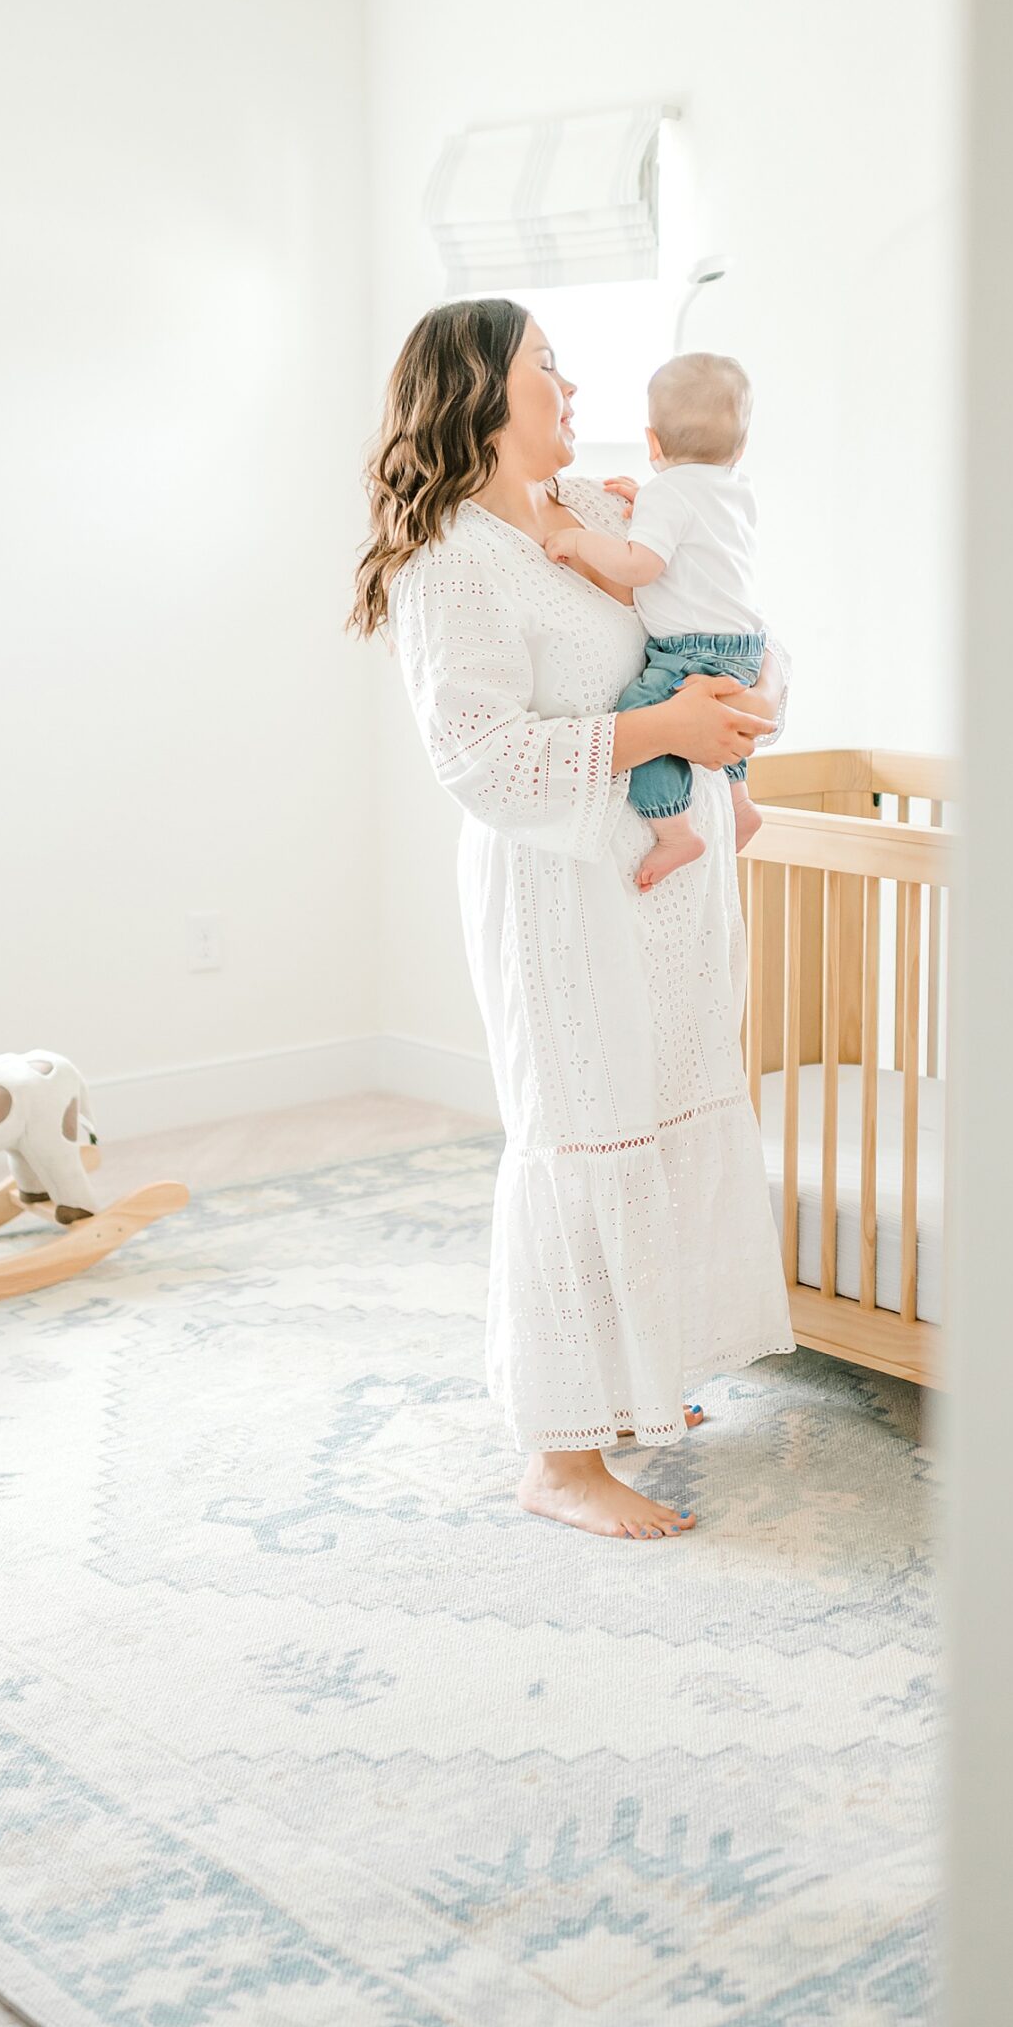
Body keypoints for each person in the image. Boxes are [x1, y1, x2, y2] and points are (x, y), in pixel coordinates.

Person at [349, 299, 796, 1541]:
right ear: (481, 393)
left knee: (657, 1112)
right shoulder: (451, 561)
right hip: (563, 892)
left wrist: (744, 699)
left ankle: (643, 1385)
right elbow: (480, 757)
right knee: (583, 1128)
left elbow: (724, 601)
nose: (571, 382)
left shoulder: (597, 515)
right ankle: (558, 1456)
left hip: (662, 884)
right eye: (547, 363)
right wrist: (663, 730)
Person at [544, 351, 767, 892]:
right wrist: (651, 507)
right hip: (744, 645)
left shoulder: (669, 493)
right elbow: (701, 545)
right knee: (720, 715)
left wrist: (579, 541)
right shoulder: (737, 491)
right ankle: (738, 800)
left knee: (639, 716)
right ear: (740, 446)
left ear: (652, 443)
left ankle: (674, 831)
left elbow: (641, 565)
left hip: (692, 648)